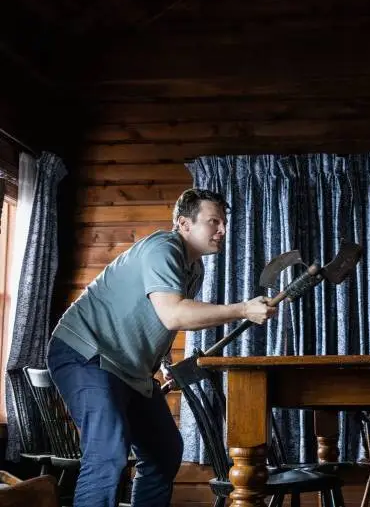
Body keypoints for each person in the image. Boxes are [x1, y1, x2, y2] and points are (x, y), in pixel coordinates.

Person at [46, 188, 277, 507]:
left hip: (129, 369)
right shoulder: (163, 248)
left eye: (223, 222)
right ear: (184, 224)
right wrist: (243, 309)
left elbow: (160, 319)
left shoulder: (194, 269)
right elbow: (173, 314)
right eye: (213, 221)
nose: (222, 229)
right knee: (108, 454)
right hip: (87, 354)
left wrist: (164, 362)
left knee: (164, 451)